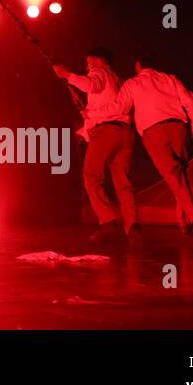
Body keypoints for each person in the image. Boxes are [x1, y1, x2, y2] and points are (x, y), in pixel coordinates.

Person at [120, 49, 193, 242]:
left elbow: (119, 106)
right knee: (180, 176)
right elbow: (192, 101)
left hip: (153, 132)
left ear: (138, 66)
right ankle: (184, 221)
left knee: (173, 176)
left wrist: (93, 114)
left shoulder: (134, 82)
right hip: (179, 128)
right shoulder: (170, 79)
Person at [53, 48, 139, 243]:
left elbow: (91, 84)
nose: (86, 67)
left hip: (106, 132)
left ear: (96, 61)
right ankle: (133, 226)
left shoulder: (100, 73)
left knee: (91, 176)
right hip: (125, 132)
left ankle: (107, 221)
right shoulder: (117, 79)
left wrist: (67, 75)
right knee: (123, 182)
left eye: (88, 62)